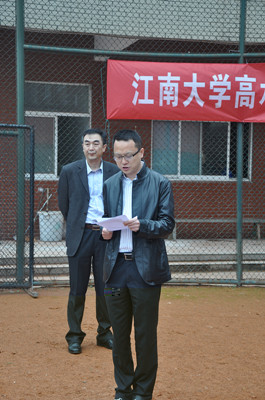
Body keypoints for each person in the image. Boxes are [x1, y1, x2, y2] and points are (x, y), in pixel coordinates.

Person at [101, 129, 175, 400]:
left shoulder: (159, 183)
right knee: (119, 335)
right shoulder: (110, 184)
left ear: (142, 152)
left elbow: (167, 225)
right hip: (115, 270)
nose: (123, 161)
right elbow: (106, 220)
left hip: (145, 271)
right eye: (118, 155)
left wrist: (142, 225)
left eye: (128, 155)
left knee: (144, 335)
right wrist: (105, 232)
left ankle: (143, 392)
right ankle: (123, 389)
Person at [58, 128, 119, 354]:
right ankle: (74, 336)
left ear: (104, 148)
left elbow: (119, 202)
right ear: (82, 147)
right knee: (77, 287)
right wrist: (77, 225)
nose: (91, 147)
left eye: (95, 143)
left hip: (106, 236)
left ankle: (105, 333)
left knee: (106, 287)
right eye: (86, 143)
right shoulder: (69, 171)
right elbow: (64, 204)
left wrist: (110, 227)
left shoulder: (114, 171)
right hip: (80, 235)